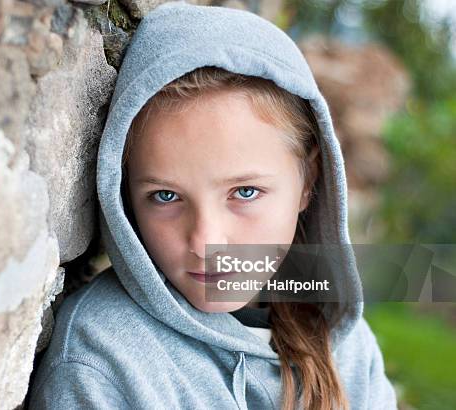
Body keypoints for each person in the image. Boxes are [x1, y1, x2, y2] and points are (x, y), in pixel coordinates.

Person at [28, 2, 397, 409]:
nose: (206, 242)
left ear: (308, 181)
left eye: (245, 192)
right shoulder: (102, 358)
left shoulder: (345, 345)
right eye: (165, 196)